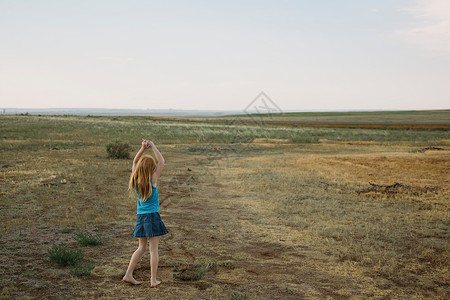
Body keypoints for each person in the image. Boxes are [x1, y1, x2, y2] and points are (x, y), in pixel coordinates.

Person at [122, 139, 168, 287]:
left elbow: (134, 162)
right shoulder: (152, 180)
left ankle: (128, 274)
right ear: (150, 169)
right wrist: (153, 145)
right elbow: (161, 162)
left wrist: (142, 149)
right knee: (153, 249)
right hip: (152, 217)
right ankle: (153, 280)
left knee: (141, 248)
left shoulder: (135, 180)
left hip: (140, 217)